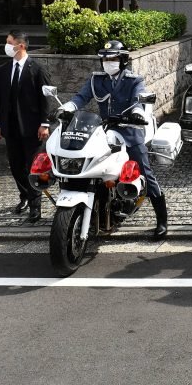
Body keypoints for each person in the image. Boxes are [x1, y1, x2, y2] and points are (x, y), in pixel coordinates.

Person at [60, 40, 168, 239]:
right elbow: (81, 97)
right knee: (90, 163)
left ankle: (162, 219)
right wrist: (68, 107)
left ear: (123, 60)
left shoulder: (134, 80)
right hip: (105, 130)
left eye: (113, 58)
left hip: (130, 130)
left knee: (145, 170)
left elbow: (138, 99)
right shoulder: (96, 80)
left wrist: (137, 113)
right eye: (105, 59)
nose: (108, 62)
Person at [0, 30, 54, 224]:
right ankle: (25, 196)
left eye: (10, 42)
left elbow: (46, 99)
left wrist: (44, 123)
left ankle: (36, 206)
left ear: (21, 45)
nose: (7, 46)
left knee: (35, 167)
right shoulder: (2, 71)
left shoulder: (37, 69)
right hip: (10, 128)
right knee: (16, 167)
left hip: (32, 127)